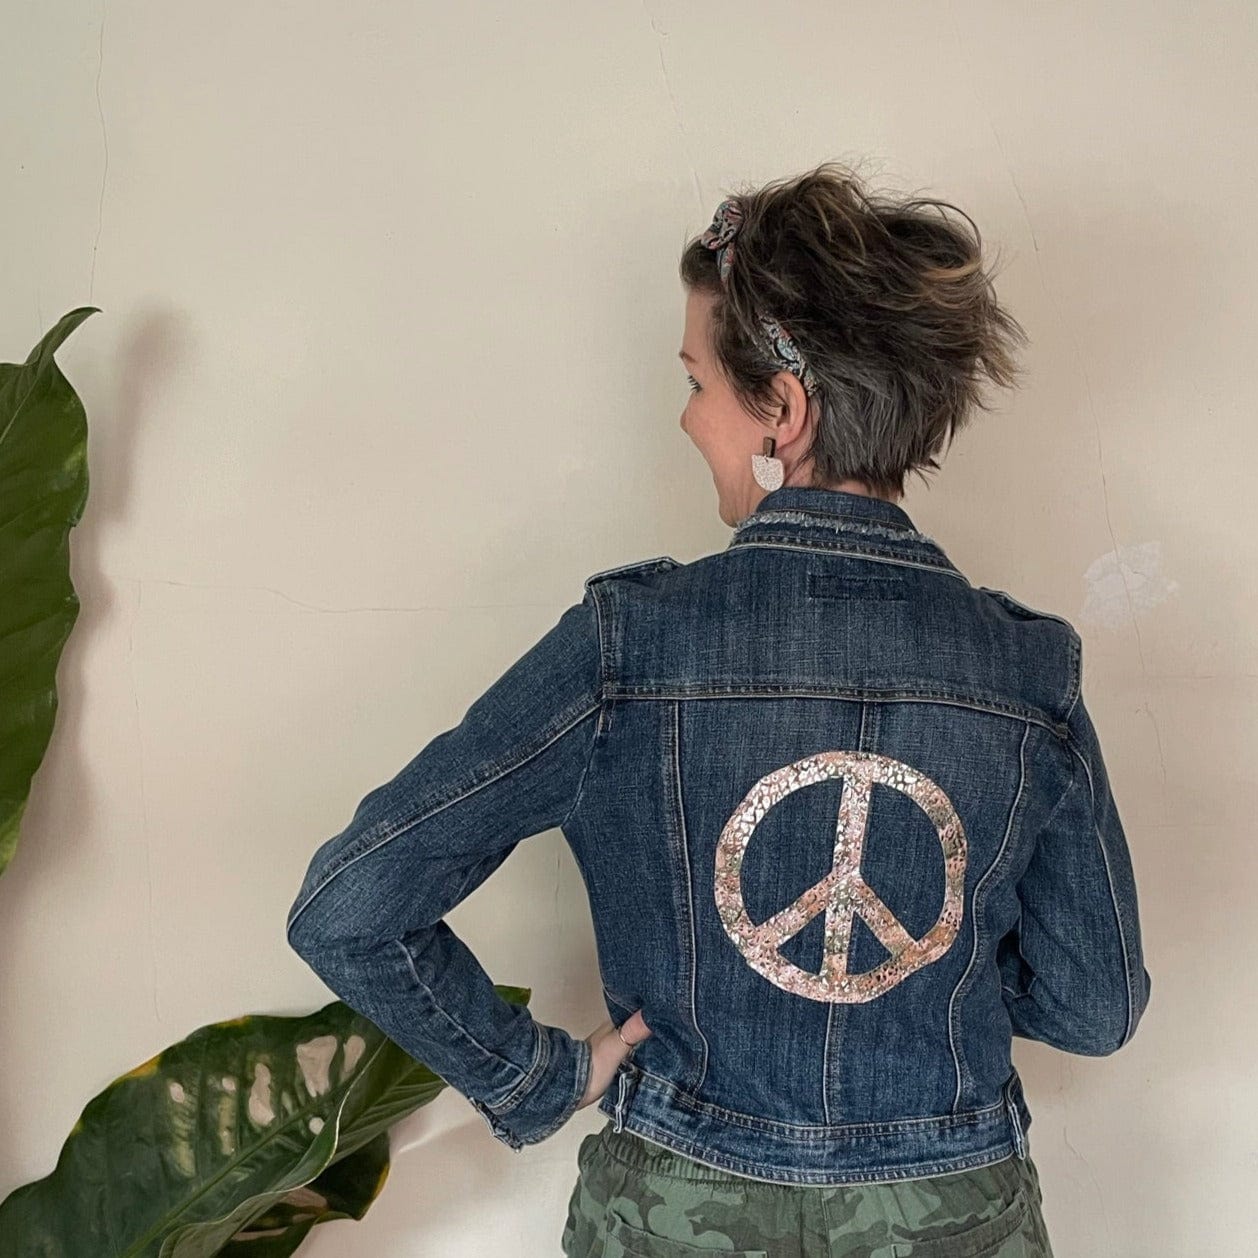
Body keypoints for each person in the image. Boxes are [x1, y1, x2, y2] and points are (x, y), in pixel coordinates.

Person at [286, 161, 1151, 1256]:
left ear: (781, 409)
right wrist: (930, 980)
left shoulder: (626, 646)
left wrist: (538, 1077)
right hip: (951, 1212)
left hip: (677, 1212)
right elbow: (1093, 1008)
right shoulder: (1029, 674)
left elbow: (349, 903)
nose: (687, 415)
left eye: (696, 379)